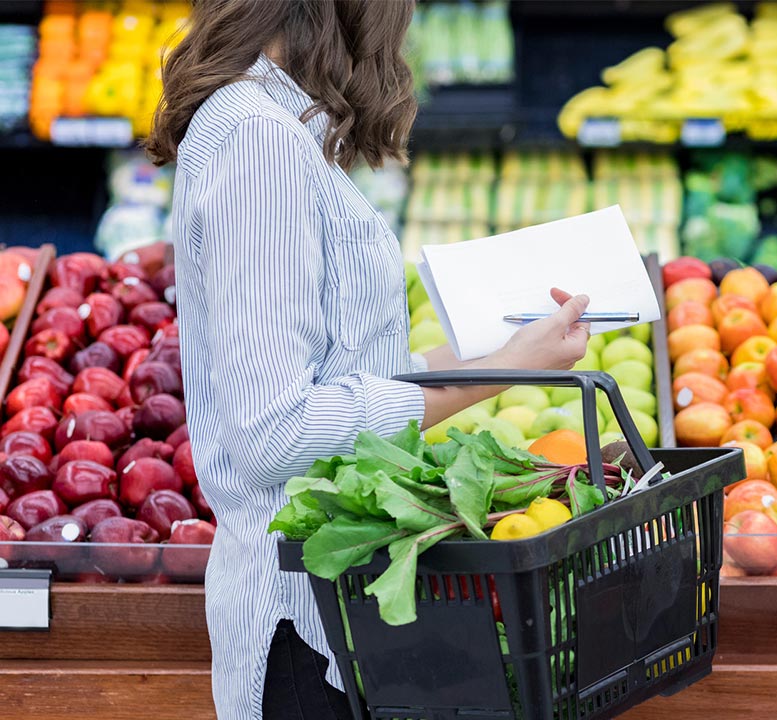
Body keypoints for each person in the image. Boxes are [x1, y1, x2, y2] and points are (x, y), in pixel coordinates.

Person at [145, 2, 590, 717]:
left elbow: (339, 374)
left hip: (340, 618)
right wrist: (498, 373)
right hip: (303, 629)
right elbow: (275, 433)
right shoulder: (258, 141)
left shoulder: (275, 129)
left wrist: (504, 352)